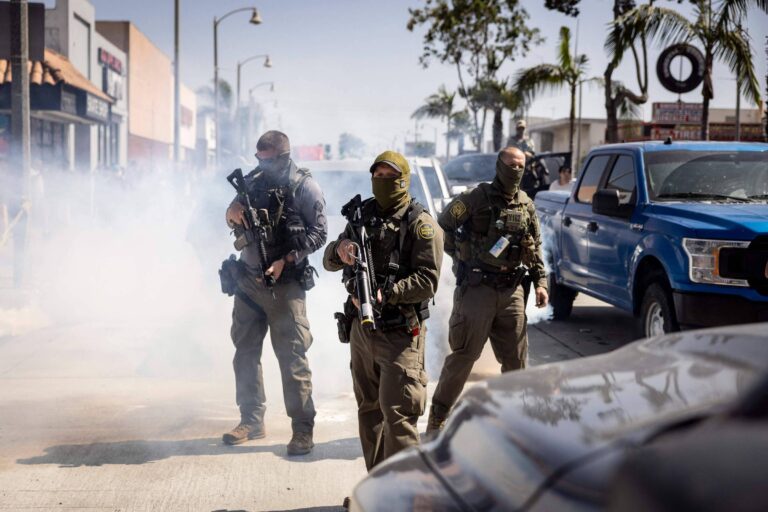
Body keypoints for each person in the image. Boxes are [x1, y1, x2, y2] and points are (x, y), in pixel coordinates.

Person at [323, 150, 443, 471]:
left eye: (391, 177)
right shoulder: (361, 218)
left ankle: (404, 493)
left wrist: (388, 293)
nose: (384, 181)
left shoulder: (420, 224)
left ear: (404, 180)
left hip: (400, 332)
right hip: (362, 332)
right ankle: (378, 488)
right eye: (379, 175)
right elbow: (328, 261)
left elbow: (428, 281)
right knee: (369, 411)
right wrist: (340, 249)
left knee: (399, 417)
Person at [426, 146, 548, 433]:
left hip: (512, 291)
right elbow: (442, 226)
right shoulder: (475, 197)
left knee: (516, 361)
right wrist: (459, 255)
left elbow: (535, 245)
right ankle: (438, 416)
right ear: (499, 166)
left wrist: (541, 283)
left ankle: (514, 419)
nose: (516, 170)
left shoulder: (525, 204)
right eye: (511, 165)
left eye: (521, 166)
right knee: (464, 356)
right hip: (477, 289)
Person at [222, 130, 327, 455]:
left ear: (284, 157)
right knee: (245, 353)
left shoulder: (304, 186)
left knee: (292, 358)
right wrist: (232, 213)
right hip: (248, 283)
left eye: (268, 160)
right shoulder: (251, 182)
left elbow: (320, 233)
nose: (262, 165)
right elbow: (231, 214)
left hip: (285, 285)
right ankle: (251, 420)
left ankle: (302, 429)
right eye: (259, 159)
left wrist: (287, 260)